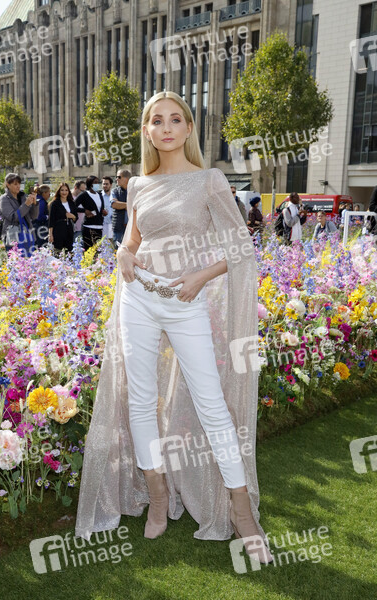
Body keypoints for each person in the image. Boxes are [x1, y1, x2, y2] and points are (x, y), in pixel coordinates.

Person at [76, 90, 273, 565]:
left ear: (188, 128)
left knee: (212, 404)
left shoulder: (209, 180)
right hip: (139, 297)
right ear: (147, 131)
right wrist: (124, 256)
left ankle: (241, 512)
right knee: (141, 400)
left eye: (175, 119)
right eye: (156, 120)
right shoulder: (139, 185)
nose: (165, 127)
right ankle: (158, 496)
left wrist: (200, 277)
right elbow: (132, 240)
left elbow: (240, 248)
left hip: (186, 302)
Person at [0, 173, 38, 253]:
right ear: (8, 185)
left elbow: (34, 216)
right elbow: (13, 217)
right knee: (15, 259)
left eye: (19, 184)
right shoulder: (4, 199)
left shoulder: (23, 197)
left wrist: (35, 204)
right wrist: (26, 205)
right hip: (13, 237)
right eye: (15, 184)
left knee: (29, 259)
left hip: (27, 235)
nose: (18, 186)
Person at [75, 175, 108, 251]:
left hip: (99, 227)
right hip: (88, 227)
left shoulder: (100, 195)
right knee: (89, 251)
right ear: (90, 183)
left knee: (98, 251)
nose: (97, 184)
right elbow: (73, 206)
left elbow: (100, 209)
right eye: (95, 182)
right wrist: (84, 210)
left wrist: (103, 212)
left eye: (98, 182)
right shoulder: (84, 195)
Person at [48, 182, 77, 253]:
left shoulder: (71, 203)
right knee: (57, 251)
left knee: (69, 251)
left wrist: (72, 216)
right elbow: (51, 219)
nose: (64, 192)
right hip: (58, 230)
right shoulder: (55, 203)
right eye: (62, 190)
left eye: (66, 190)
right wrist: (50, 234)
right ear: (59, 191)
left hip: (69, 230)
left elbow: (75, 218)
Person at [111, 169, 131, 247]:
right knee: (117, 250)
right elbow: (114, 204)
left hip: (131, 228)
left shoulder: (134, 191)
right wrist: (128, 205)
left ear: (126, 179)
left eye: (119, 177)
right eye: (116, 177)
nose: (116, 179)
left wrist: (121, 204)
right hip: (118, 228)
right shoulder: (115, 191)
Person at [102, 176, 114, 241]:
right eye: (104, 184)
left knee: (112, 244)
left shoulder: (114, 195)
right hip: (102, 224)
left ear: (111, 185)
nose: (105, 186)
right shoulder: (99, 196)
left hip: (112, 224)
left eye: (107, 184)